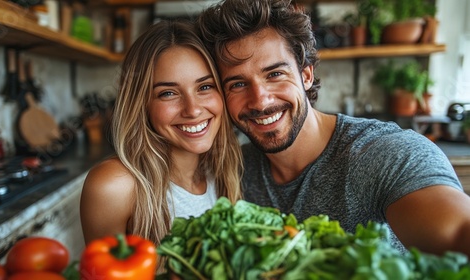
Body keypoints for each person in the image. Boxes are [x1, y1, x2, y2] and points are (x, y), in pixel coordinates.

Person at [197, 0, 470, 256]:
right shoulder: (233, 171)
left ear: (306, 74)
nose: (260, 100)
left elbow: (458, 232)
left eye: (275, 74)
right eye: (238, 84)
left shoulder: (385, 154)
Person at [80, 20, 242, 246]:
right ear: (141, 103)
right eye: (168, 93)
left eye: (205, 87)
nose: (193, 109)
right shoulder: (115, 185)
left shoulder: (226, 171)